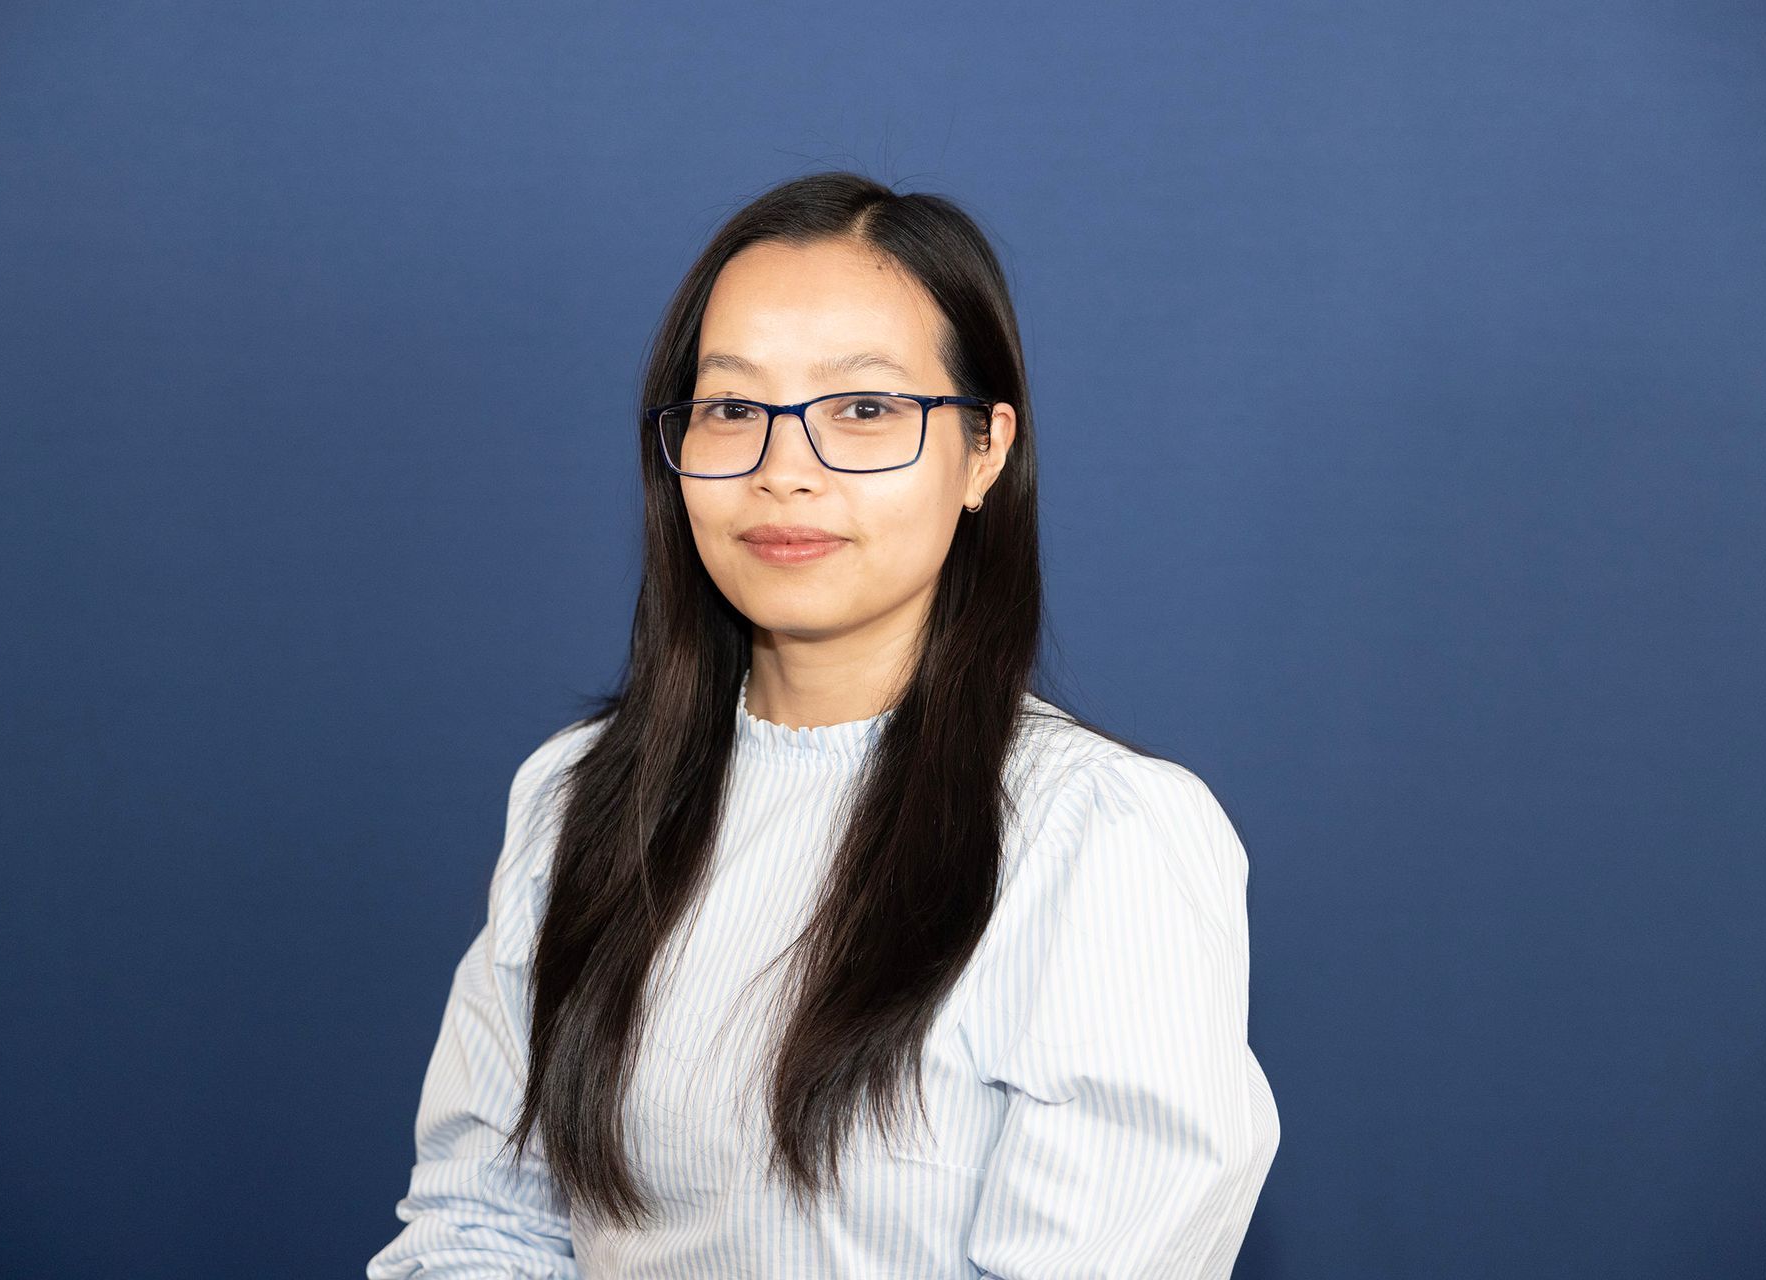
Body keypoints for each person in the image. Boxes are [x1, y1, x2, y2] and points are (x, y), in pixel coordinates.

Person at [367, 170, 1279, 1278]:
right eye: (733, 409)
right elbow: (482, 1224)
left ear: (986, 450)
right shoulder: (577, 799)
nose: (783, 471)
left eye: (863, 409)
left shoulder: (1102, 836)